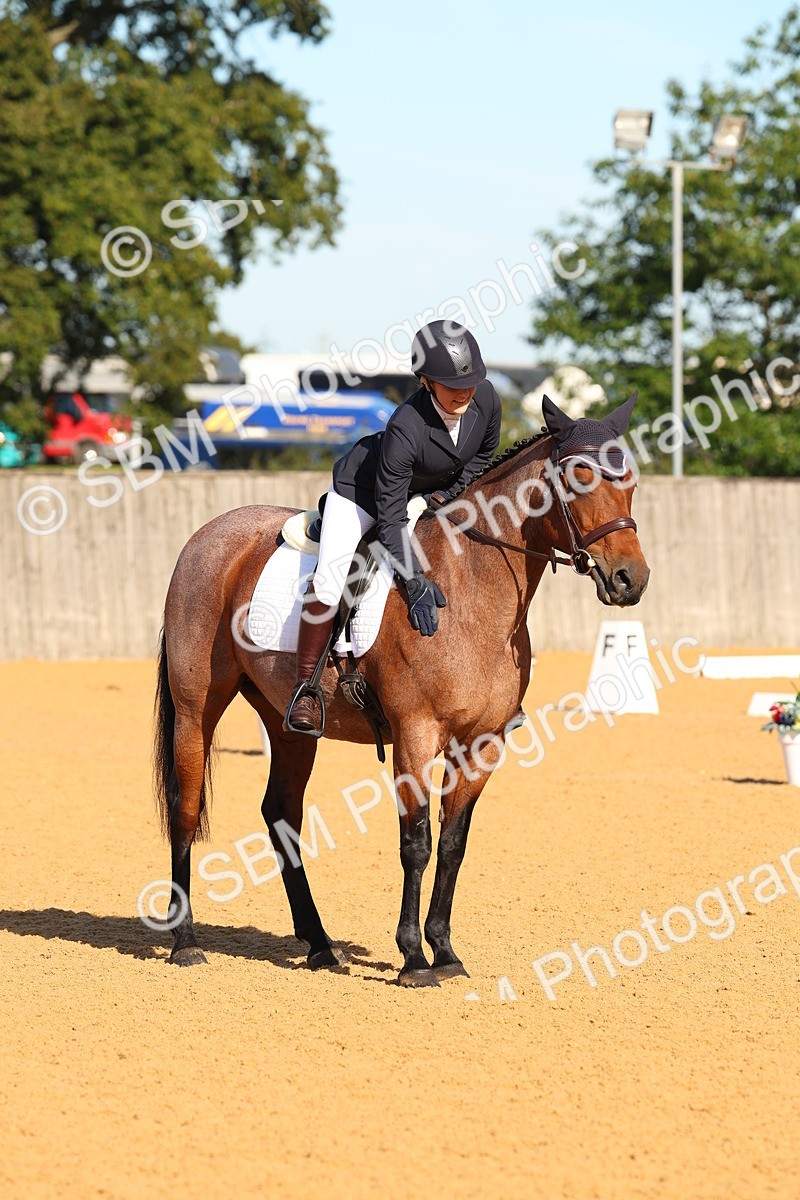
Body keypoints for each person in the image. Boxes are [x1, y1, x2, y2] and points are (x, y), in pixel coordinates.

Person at [284, 319, 502, 734]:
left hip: (426, 491)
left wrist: (448, 493)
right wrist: (414, 579)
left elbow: (483, 456)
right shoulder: (407, 425)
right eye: (451, 384)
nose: (465, 392)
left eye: (472, 382)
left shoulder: (486, 399)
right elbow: (389, 515)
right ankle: (306, 689)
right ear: (425, 382)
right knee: (332, 579)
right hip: (364, 496)